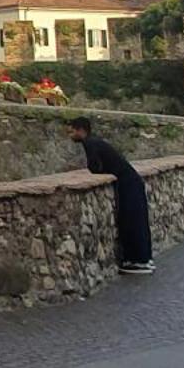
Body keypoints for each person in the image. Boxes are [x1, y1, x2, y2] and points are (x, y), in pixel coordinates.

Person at [70, 117, 154, 273]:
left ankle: (136, 260)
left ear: (81, 130)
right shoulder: (96, 142)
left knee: (130, 221)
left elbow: (95, 166)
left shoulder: (90, 143)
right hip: (131, 181)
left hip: (128, 183)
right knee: (138, 220)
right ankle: (144, 258)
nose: (71, 134)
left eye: (72, 130)